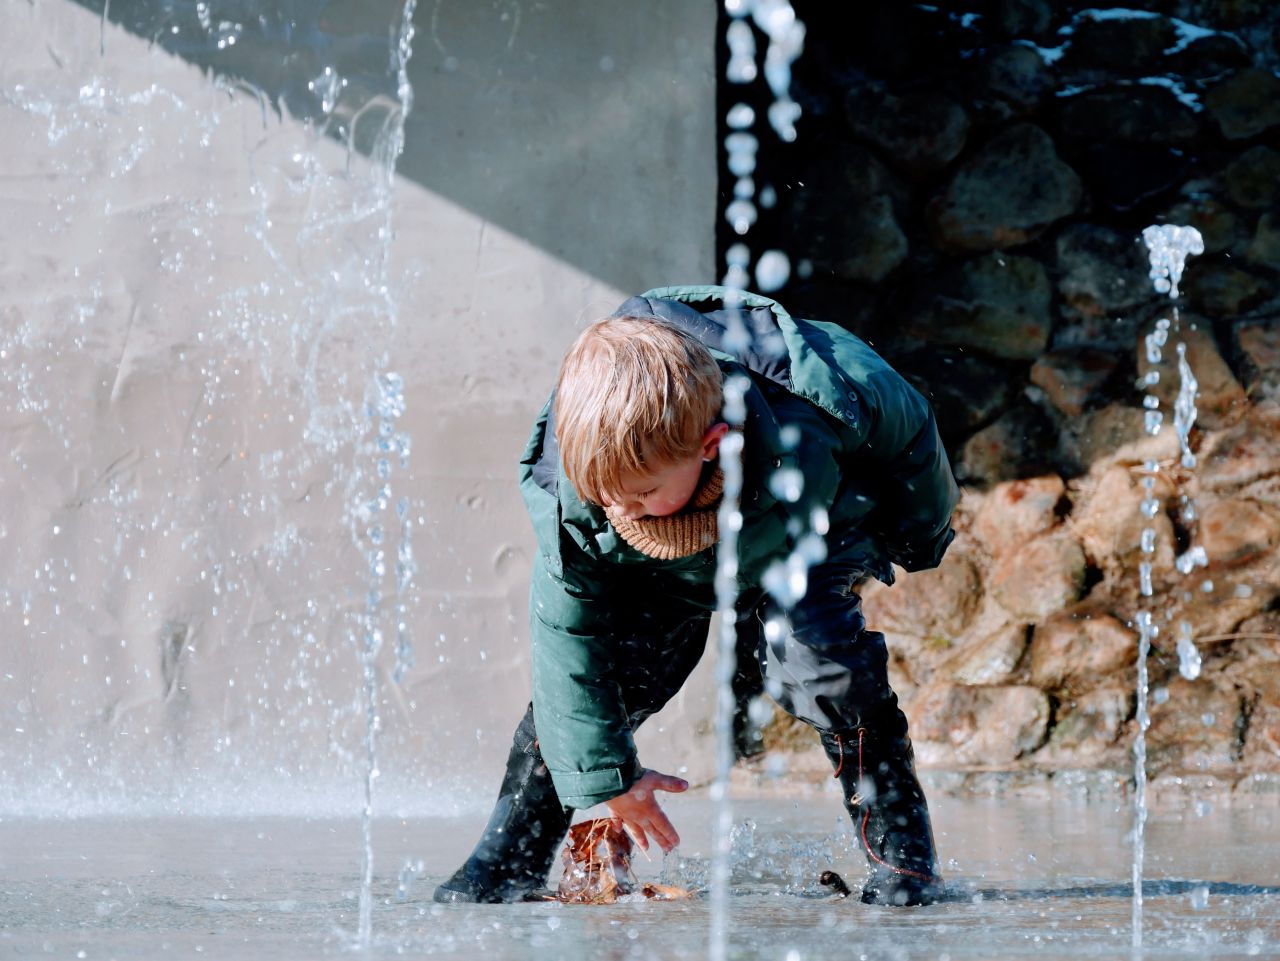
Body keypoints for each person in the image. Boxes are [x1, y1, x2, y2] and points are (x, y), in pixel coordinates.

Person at [434, 285, 959, 907]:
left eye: (638, 492)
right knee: (621, 672)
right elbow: (567, 647)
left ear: (711, 446)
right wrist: (610, 777)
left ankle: (905, 859)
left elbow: (910, 436)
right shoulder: (579, 498)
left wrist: (918, 536)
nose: (619, 508)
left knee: (816, 656)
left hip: (809, 528)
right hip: (662, 571)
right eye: (603, 494)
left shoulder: (820, 386)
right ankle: (504, 861)